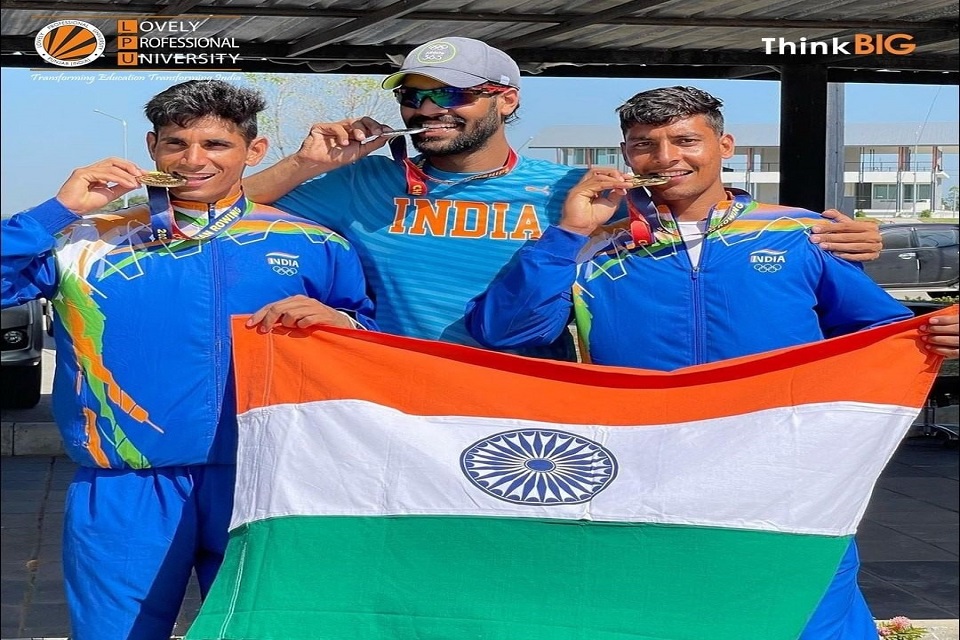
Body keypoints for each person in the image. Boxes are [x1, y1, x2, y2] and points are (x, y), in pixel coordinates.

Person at [464, 86, 958, 638]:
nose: (666, 157)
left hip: (785, 471)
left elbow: (885, 331)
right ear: (626, 156)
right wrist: (568, 233)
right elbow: (505, 334)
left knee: (807, 610)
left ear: (724, 145)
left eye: (685, 140)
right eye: (644, 145)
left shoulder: (799, 234)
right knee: (653, 614)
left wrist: (940, 333)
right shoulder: (594, 244)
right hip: (642, 474)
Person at [0, 80, 375, 640]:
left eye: (215, 145)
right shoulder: (83, 241)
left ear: (254, 151)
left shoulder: (315, 243)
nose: (193, 160)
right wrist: (55, 210)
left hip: (265, 485)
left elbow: (368, 345)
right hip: (125, 490)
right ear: (152, 146)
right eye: (176, 144)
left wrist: (347, 325)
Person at [243, 36, 885, 354]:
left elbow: (700, 214)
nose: (427, 107)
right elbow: (215, 213)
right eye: (412, 93)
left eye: (451, 93)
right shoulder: (362, 183)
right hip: (402, 396)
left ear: (506, 98)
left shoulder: (571, 193)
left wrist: (826, 235)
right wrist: (301, 165)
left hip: (536, 403)